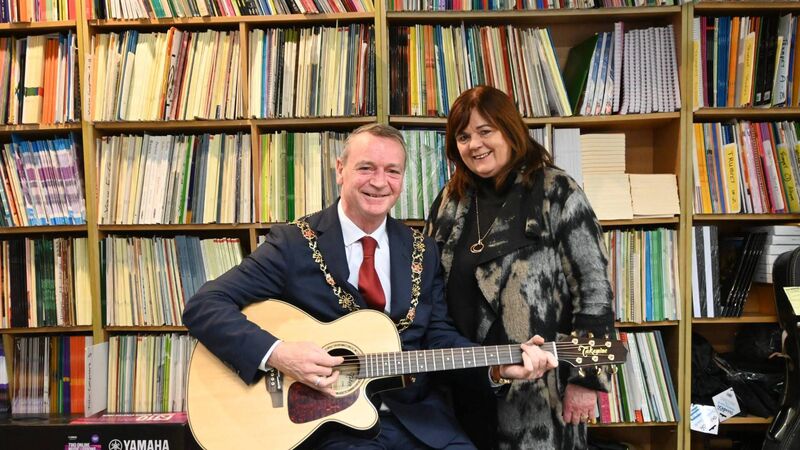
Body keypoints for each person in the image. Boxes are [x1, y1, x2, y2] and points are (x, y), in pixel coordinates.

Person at [182, 123, 558, 450]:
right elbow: (205, 306)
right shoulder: (294, 243)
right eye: (367, 168)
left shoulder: (422, 251)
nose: (380, 182)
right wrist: (279, 353)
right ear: (341, 170)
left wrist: (497, 367)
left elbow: (438, 336)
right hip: (327, 427)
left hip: (419, 422)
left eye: (392, 171)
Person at [425, 86, 615, 450]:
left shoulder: (556, 190)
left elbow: (594, 289)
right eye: (463, 136)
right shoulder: (451, 199)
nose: (474, 144)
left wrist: (586, 379)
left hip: (539, 392)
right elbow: (429, 284)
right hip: (462, 383)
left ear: (510, 130)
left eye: (485, 131)